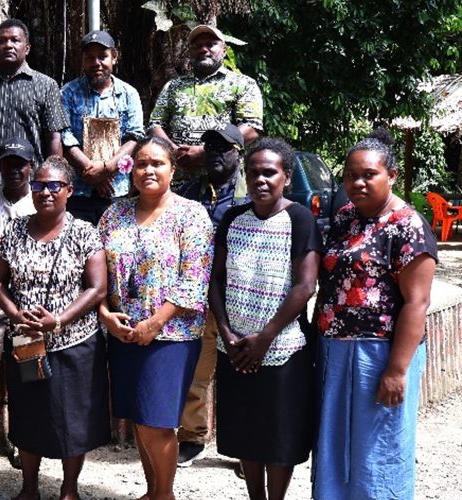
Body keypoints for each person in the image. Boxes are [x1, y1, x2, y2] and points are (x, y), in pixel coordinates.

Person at [312, 130, 437, 500]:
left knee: (378, 446)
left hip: (381, 354)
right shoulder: (346, 216)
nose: (359, 182)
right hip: (335, 349)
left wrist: (397, 371)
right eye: (351, 175)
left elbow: (417, 302)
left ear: (392, 175)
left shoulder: (409, 226)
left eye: (369, 174)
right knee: (334, 443)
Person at [98, 136, 213, 500]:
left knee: (156, 422)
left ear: (172, 169)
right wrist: (105, 316)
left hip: (171, 336)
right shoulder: (113, 214)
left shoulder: (191, 215)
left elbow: (195, 279)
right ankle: (151, 492)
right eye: (142, 163)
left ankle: (165, 496)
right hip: (123, 333)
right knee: (138, 418)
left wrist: (154, 323)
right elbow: (96, 278)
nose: (148, 169)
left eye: (157, 163)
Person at [209, 138, 323, 500]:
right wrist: (227, 334)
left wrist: (265, 338)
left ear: (286, 177)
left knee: (277, 437)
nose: (260, 179)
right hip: (236, 348)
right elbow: (215, 279)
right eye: (253, 172)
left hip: (283, 349)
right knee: (247, 431)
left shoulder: (300, 219)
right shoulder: (231, 218)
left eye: (269, 173)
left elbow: (304, 286)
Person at [0, 156, 109, 500]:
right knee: (29, 416)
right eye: (39, 185)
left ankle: (68, 489)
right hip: (27, 341)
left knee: (73, 421)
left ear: (69, 191)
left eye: (54, 185)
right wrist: (15, 314)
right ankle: (29, 488)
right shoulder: (15, 229)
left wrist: (59, 319)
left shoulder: (84, 232)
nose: (45, 192)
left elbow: (97, 288)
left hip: (75, 342)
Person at [176, 124, 247, 468]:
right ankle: (192, 438)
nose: (215, 154)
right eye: (210, 147)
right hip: (200, 299)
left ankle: (243, 447)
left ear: (239, 153)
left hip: (241, 298)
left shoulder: (253, 197)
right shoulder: (189, 192)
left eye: (224, 148)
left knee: (242, 374)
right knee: (197, 373)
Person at [148, 24, 263, 195]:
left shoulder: (242, 84)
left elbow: (252, 128)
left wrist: (204, 152)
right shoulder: (173, 86)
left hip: (224, 181)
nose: (203, 49)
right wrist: (174, 152)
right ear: (190, 52)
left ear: (224, 51)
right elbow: (154, 124)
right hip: (177, 181)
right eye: (197, 46)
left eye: (210, 44)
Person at [0, 18, 68, 195]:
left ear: (27, 48)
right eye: (2, 41)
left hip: (34, 189)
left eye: (15, 40)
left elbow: (54, 138)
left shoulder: (46, 85)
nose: (8, 45)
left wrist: (54, 183)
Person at [0, 137, 38, 428]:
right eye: (8, 164)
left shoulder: (43, 202)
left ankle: (23, 435)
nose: (14, 170)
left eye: (20, 164)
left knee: (28, 369)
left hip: (28, 304)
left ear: (31, 167)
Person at [60, 30, 145, 224]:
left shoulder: (129, 94)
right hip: (79, 191)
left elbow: (134, 136)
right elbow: (65, 136)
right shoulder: (67, 93)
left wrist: (106, 169)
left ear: (114, 57)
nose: (96, 62)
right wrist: (90, 170)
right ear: (82, 61)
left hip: (116, 190)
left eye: (102, 56)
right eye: (90, 57)